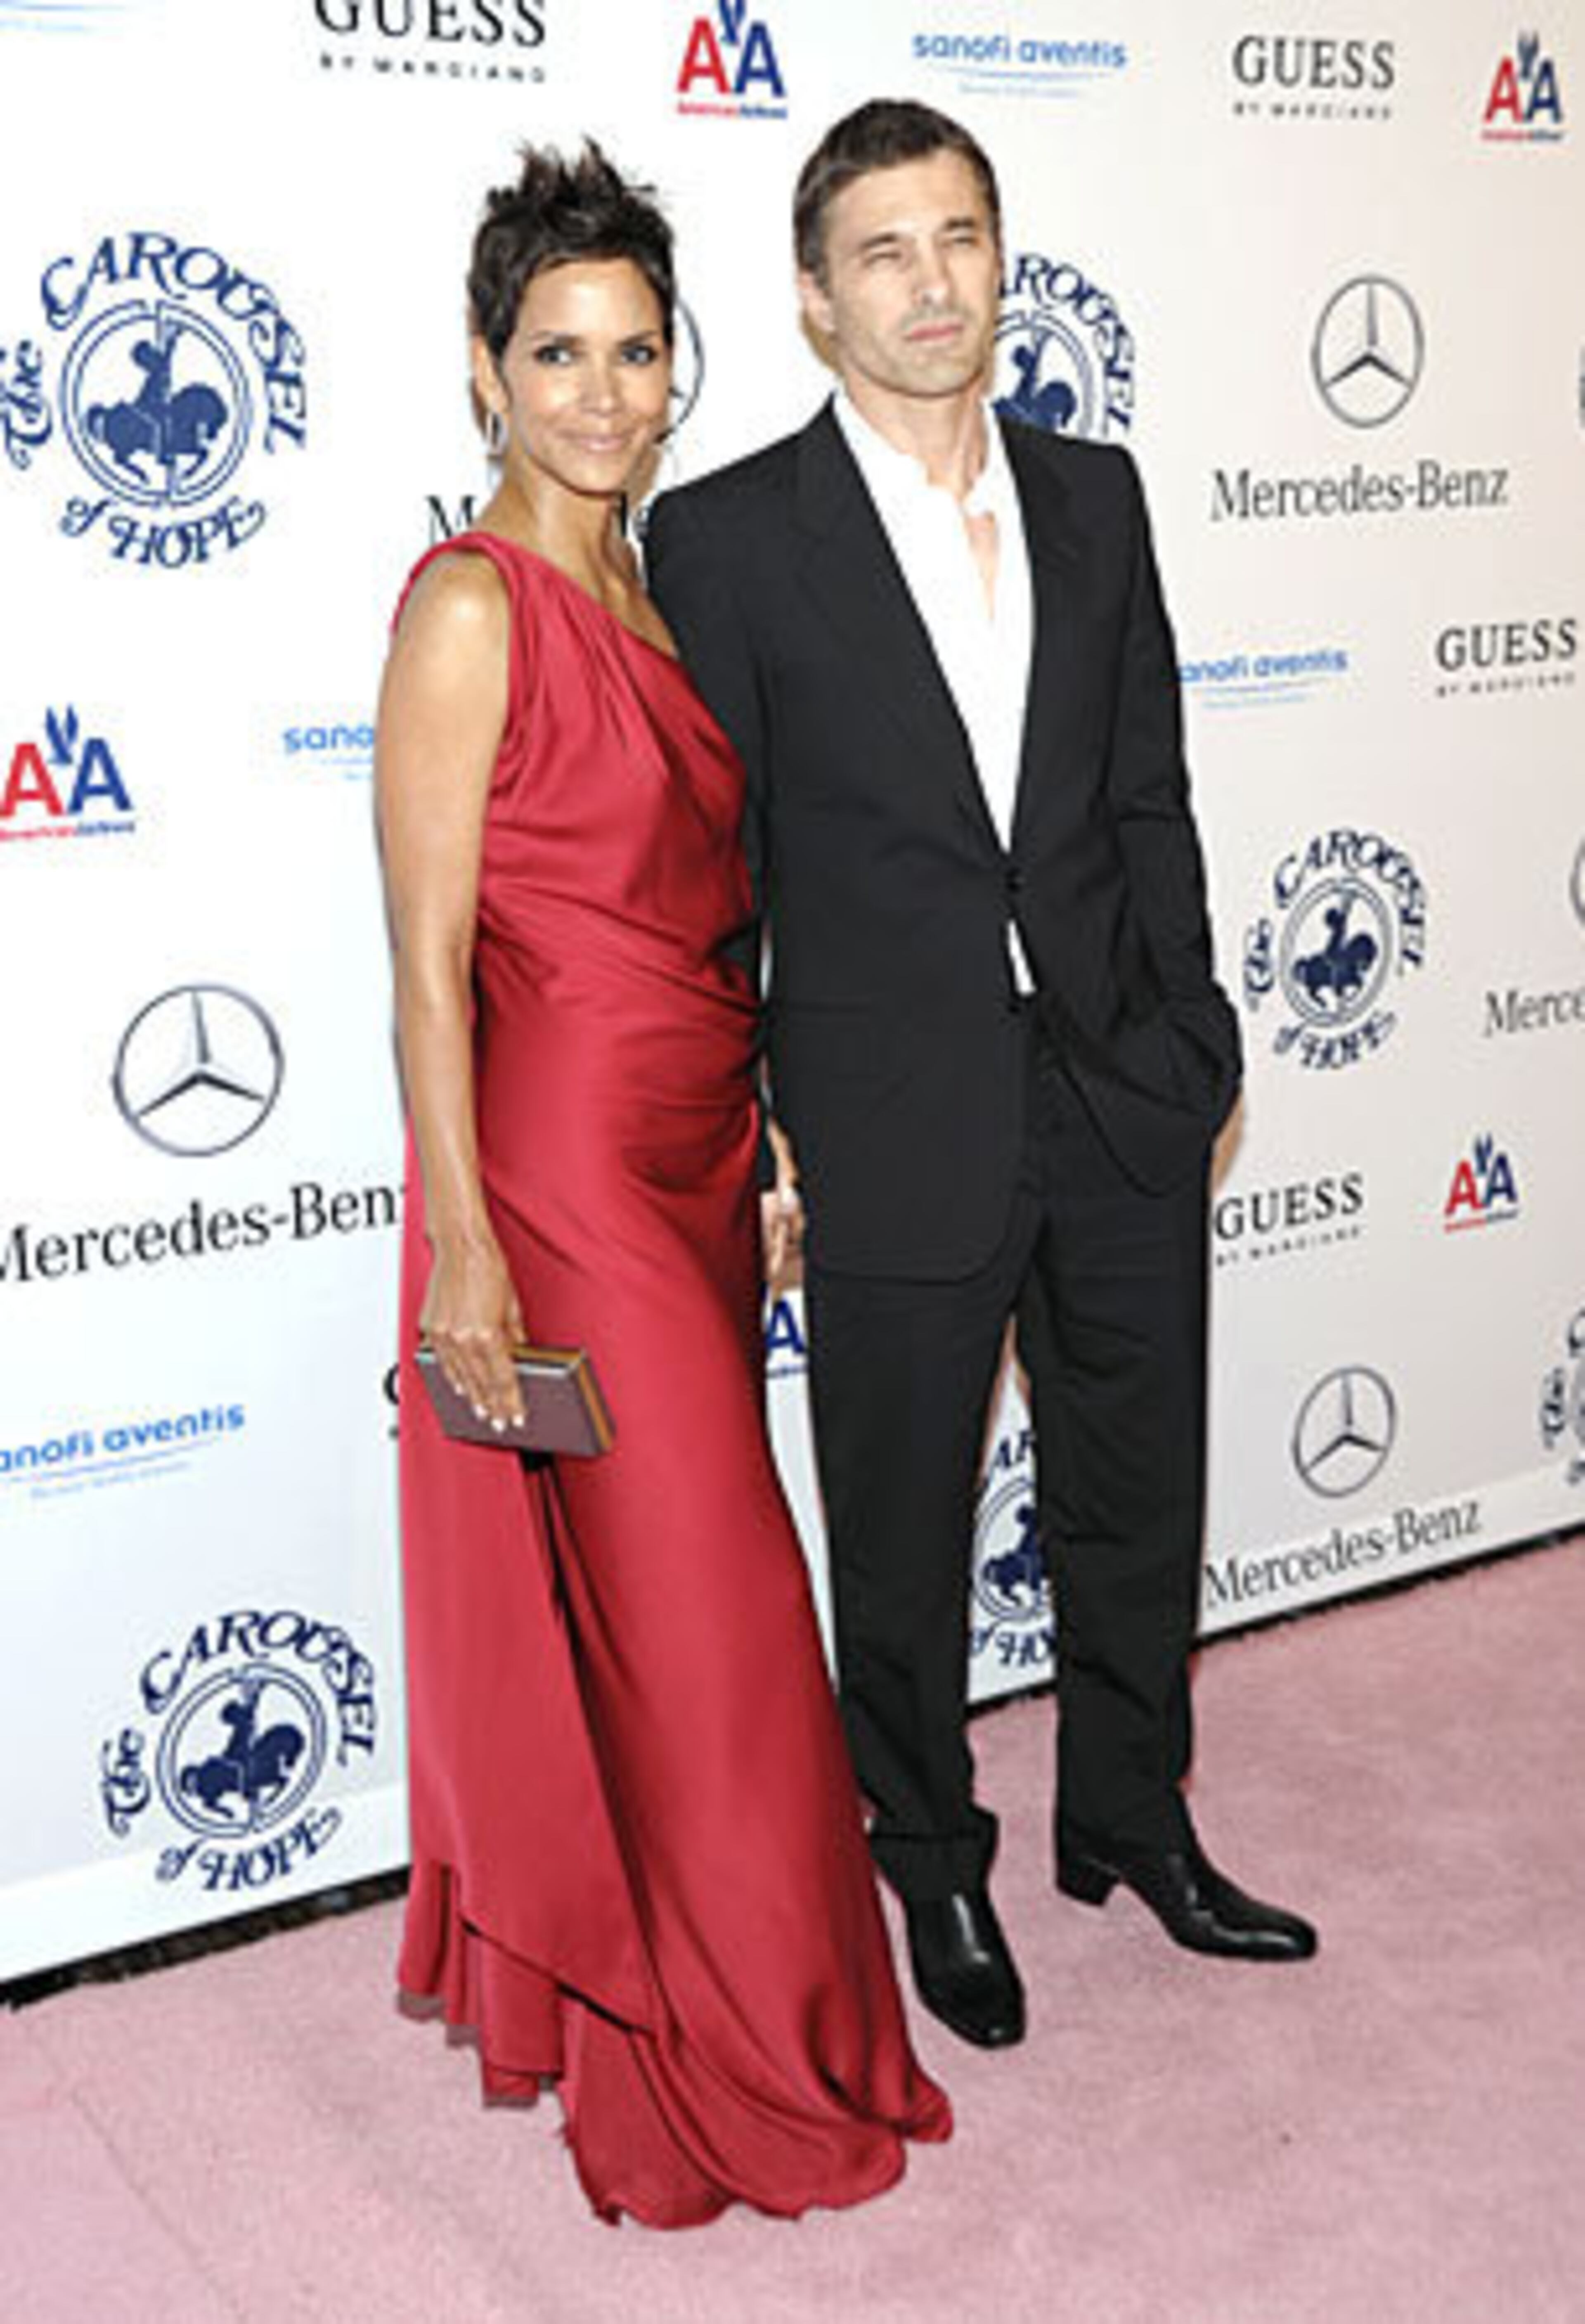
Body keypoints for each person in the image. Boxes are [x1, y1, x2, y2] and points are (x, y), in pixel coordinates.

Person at [646, 99, 1317, 2054]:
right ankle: (930, 1850)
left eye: (960, 238)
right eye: (885, 251)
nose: (933, 283)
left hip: (1117, 1084)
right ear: (810, 296)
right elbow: (719, 875)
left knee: (1137, 1485)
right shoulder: (730, 538)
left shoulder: (1096, 497)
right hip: (888, 1116)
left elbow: (1146, 797)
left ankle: (1132, 1814)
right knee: (903, 1514)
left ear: (1000, 261)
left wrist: (1192, 1037)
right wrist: (760, 1127)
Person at [374, 142, 948, 2229]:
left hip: (704, 1155)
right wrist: (464, 1256)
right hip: (562, 1185)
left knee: (695, 1622)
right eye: (559, 355)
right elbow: (428, 970)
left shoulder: (656, 585)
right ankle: (725, 2063)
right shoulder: (471, 603)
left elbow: (707, 904)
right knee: (711, 1624)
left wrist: (772, 1130)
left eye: (636, 352)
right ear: (483, 370)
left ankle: (767, 2019)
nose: (605, 395)